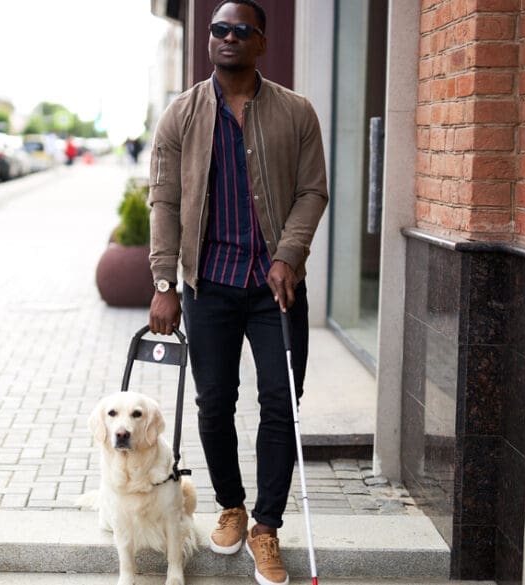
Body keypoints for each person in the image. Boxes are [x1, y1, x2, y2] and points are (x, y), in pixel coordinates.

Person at [146, 1, 328, 584]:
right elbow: (164, 202)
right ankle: (231, 504)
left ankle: (267, 526)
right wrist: (165, 282)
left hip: (275, 288)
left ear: (260, 43)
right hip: (210, 286)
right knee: (213, 403)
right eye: (217, 30)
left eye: (239, 31)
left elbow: (312, 191)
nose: (225, 37)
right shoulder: (181, 115)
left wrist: (288, 255)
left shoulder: (296, 112)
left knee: (281, 403)